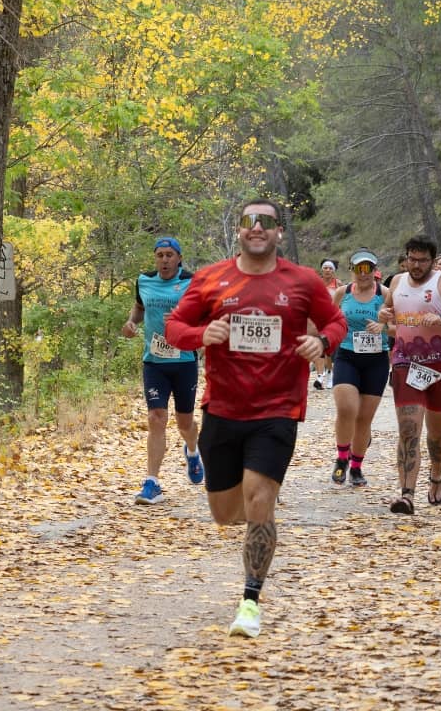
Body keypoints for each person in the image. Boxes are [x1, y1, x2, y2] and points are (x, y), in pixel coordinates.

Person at [166, 200, 346, 638]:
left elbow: (336, 321)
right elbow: (174, 327)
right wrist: (201, 334)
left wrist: (322, 342)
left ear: (279, 231)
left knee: (260, 498)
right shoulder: (211, 278)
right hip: (223, 410)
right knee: (225, 514)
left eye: (266, 221)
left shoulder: (302, 281)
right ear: (239, 231)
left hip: (278, 410)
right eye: (249, 221)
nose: (257, 227)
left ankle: (250, 601)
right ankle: (255, 520)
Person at [377, 234, 441, 514]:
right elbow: (387, 310)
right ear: (406, 258)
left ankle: (436, 475)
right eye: (412, 259)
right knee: (409, 428)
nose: (416, 265)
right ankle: (407, 494)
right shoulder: (396, 282)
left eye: (422, 260)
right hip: (405, 362)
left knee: (436, 433)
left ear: (432, 261)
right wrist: (384, 315)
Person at [121, 237, 203, 505]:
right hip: (154, 362)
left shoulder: (192, 281)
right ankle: (152, 482)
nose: (165, 260)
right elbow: (139, 307)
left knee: (184, 423)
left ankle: (192, 451)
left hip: (184, 361)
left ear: (179, 258)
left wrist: (183, 320)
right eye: (160, 255)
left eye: (169, 255)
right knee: (156, 418)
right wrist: (131, 322)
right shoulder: (144, 280)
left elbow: (205, 316)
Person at [329, 248, 391, 488]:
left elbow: (400, 326)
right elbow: (329, 321)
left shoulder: (385, 294)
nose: (363, 273)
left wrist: (384, 326)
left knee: (364, 418)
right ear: (351, 270)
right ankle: (341, 458)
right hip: (347, 355)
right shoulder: (342, 293)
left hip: (376, 360)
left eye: (368, 268)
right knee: (346, 408)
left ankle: (356, 467)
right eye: (359, 268)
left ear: (375, 271)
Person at [312, 259, 341, 390]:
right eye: (325, 268)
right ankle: (319, 376)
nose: (327, 270)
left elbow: (344, 300)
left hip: (332, 319)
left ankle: (329, 373)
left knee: (328, 349)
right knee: (318, 346)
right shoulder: (316, 282)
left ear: (334, 271)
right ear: (321, 270)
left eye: (330, 268)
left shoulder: (338, 284)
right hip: (317, 319)